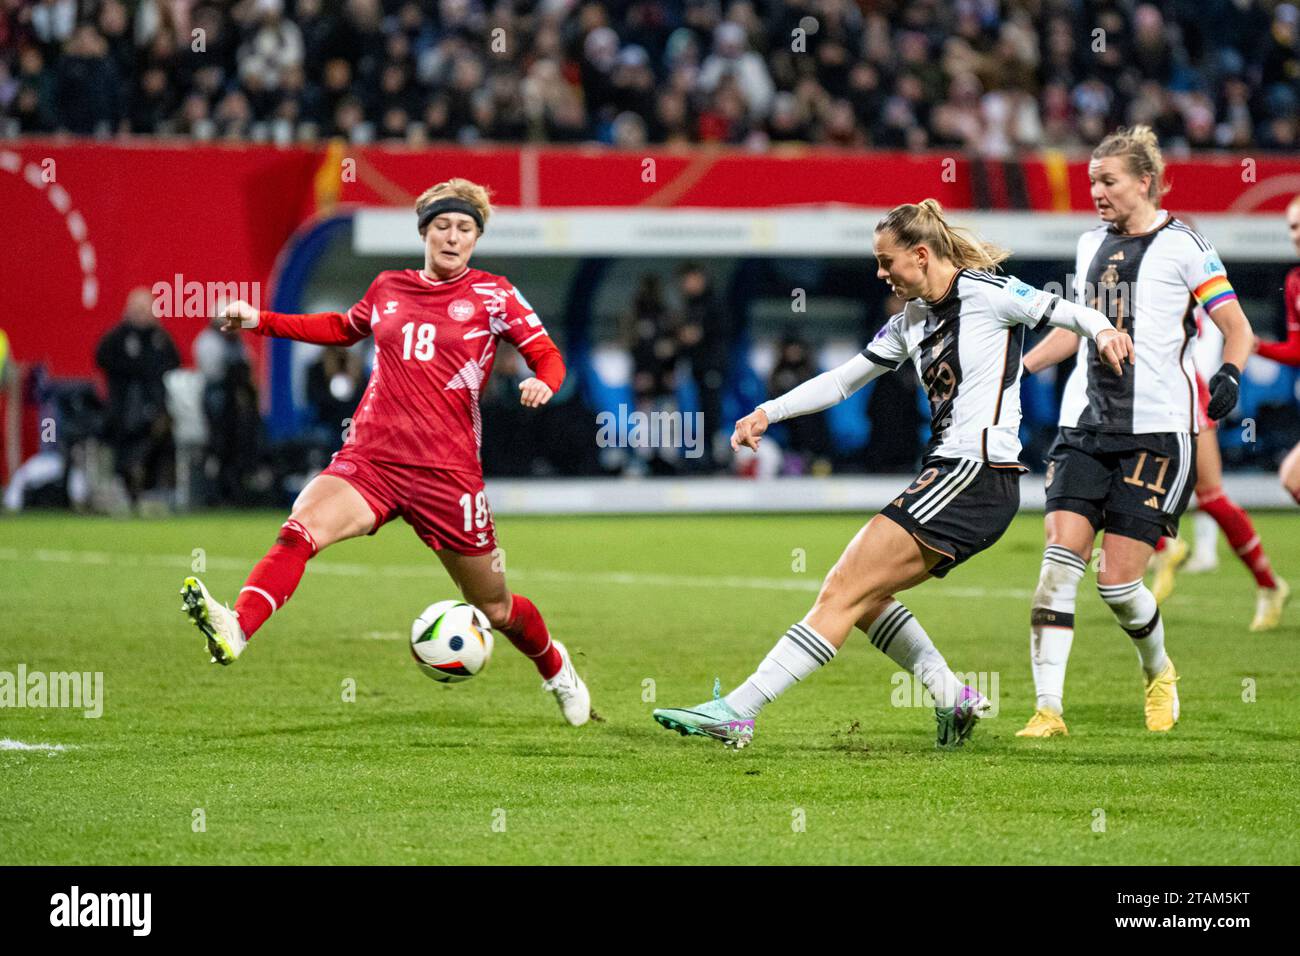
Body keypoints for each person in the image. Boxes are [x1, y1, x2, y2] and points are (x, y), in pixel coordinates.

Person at [652, 199, 1130, 750]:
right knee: (865, 596)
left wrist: (1103, 331)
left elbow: (1069, 311)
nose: (880, 274)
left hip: (973, 475)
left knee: (842, 590)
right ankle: (951, 694)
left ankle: (739, 710)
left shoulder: (990, 293)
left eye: (886, 262)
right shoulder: (911, 321)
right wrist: (768, 412)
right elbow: (842, 381)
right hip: (954, 476)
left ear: (921, 255)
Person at [179, 178, 593, 726]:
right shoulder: (388, 288)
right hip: (371, 461)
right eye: (442, 226)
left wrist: (545, 381)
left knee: (495, 607)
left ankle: (557, 668)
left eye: (464, 229)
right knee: (300, 529)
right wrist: (262, 320)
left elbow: (548, 355)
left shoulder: (495, 295)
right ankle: (238, 625)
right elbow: (341, 328)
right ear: (425, 231)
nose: (452, 237)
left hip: (448, 476)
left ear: (476, 238)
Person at [1016, 126, 1254, 739]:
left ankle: (1158, 671)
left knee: (1118, 585)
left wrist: (1229, 375)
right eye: (1092, 180)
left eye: (1108, 181)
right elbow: (1074, 329)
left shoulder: (1185, 246)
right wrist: (1016, 370)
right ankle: (1048, 710)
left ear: (1143, 182)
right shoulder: (1087, 244)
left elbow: (1237, 327)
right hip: (1084, 426)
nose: (1095, 191)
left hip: (1156, 433)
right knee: (1057, 562)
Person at [1147, 300, 1287, 631]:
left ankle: (1268, 584)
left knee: (1210, 496)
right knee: (1124, 477)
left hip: (1185, 389)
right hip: (1141, 390)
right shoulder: (1130, 266)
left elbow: (1227, 329)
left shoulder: (1190, 271)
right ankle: (1165, 545)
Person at [94, 287, 180, 505]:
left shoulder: (160, 339)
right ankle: (123, 485)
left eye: (146, 309)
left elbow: (174, 363)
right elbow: (101, 357)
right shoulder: (117, 338)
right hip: (122, 409)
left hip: (155, 408)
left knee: (162, 438)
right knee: (124, 443)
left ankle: (156, 490)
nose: (143, 314)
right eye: (138, 309)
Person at [1252, 193, 1300, 507]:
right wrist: (1256, 346)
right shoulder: (1294, 282)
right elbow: (1297, 349)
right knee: (1291, 477)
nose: (1295, 234)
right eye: (1292, 227)